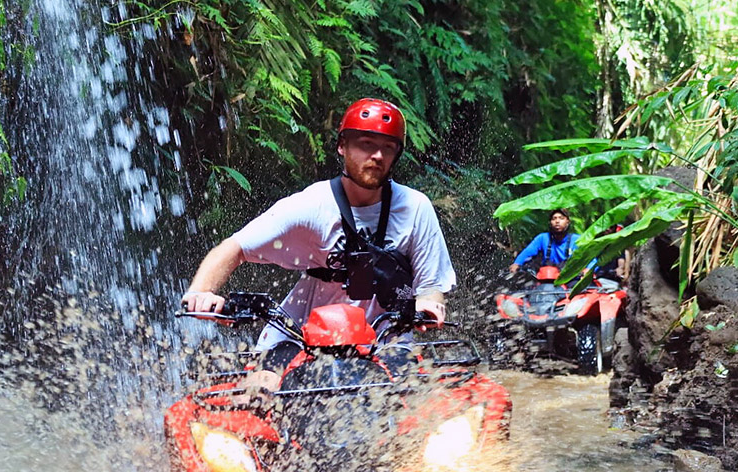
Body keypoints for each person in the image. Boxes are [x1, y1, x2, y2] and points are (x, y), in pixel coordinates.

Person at [181, 98, 455, 387]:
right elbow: (234, 248)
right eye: (365, 143)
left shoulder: (415, 207)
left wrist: (428, 307)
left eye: (387, 147)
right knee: (262, 390)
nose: (377, 155)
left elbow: (430, 287)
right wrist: (201, 292)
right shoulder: (311, 204)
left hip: (386, 338)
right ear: (342, 146)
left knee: (408, 398)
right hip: (300, 335)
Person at [508, 209, 579, 274]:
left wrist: (587, 269)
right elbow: (528, 251)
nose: (557, 221)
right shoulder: (542, 238)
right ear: (550, 222)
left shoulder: (577, 239)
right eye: (554, 218)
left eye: (561, 218)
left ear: (567, 222)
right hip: (546, 276)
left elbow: (588, 256)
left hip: (569, 276)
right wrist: (517, 263)